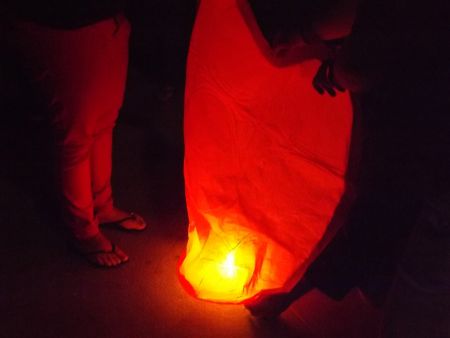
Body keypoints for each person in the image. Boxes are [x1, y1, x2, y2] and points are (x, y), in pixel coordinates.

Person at [246, 0, 450, 329]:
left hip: (426, 134)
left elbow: (372, 45)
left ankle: (372, 291)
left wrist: (335, 69)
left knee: (393, 223)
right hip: (425, 127)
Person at [2, 1, 147, 267]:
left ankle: (102, 206)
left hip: (107, 16)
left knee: (105, 121)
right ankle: (83, 229)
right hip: (65, 21)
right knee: (77, 132)